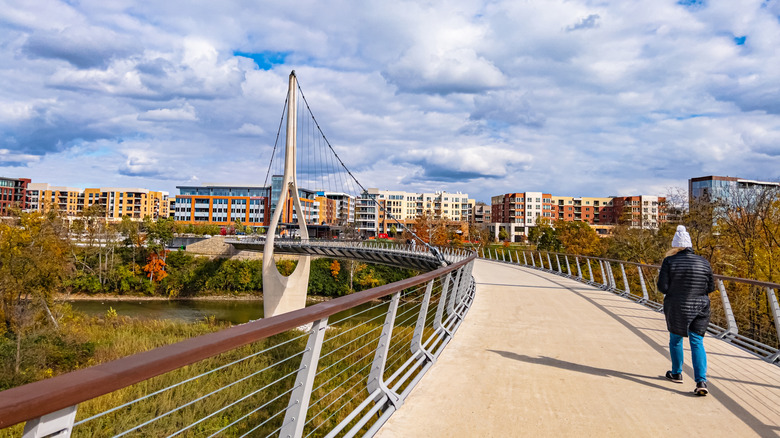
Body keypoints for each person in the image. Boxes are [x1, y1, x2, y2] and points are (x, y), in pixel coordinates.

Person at [657, 225, 715, 396]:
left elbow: (662, 287)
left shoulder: (669, 261)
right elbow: (710, 287)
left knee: (676, 339)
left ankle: (676, 373)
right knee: (697, 341)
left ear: (675, 246)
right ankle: (701, 381)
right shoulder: (704, 262)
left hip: (677, 305)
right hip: (701, 306)